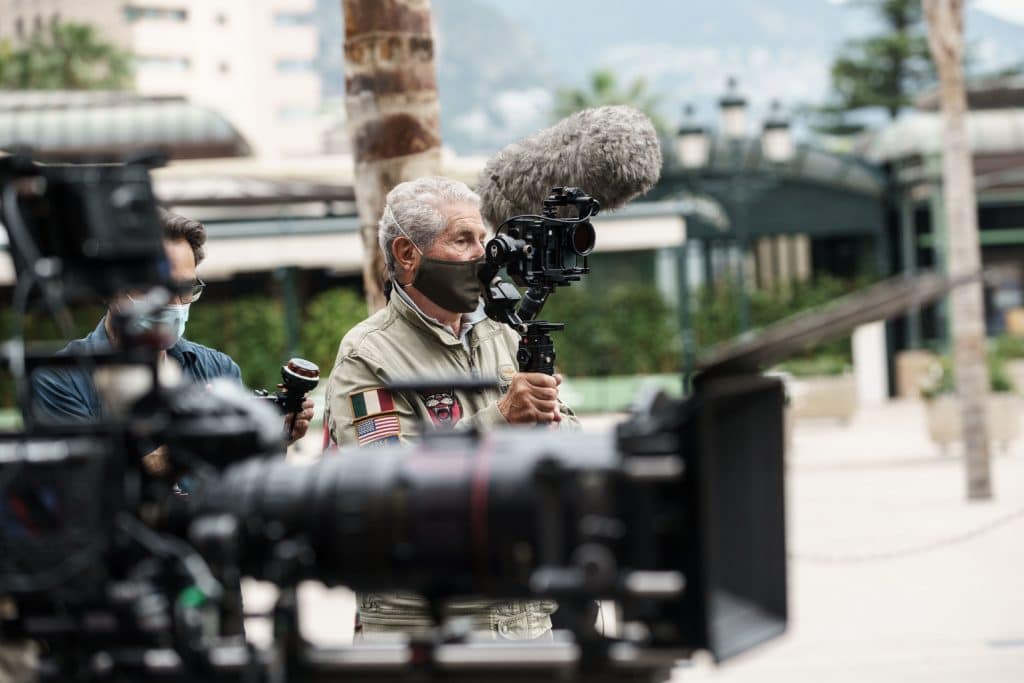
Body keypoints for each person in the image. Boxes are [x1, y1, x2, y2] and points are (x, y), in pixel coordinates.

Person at [325, 176, 578, 640]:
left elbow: (566, 448)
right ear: (407, 254)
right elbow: (386, 484)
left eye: (483, 238)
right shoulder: (368, 353)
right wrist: (501, 419)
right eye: (463, 240)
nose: (484, 255)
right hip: (426, 631)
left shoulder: (505, 333)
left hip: (524, 621)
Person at [31, 208, 314, 447]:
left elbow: (245, 481)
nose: (176, 304)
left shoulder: (217, 369)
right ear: (113, 288)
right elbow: (88, 486)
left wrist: (270, 439)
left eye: (186, 289)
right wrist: (208, 441)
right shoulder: (60, 379)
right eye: (159, 289)